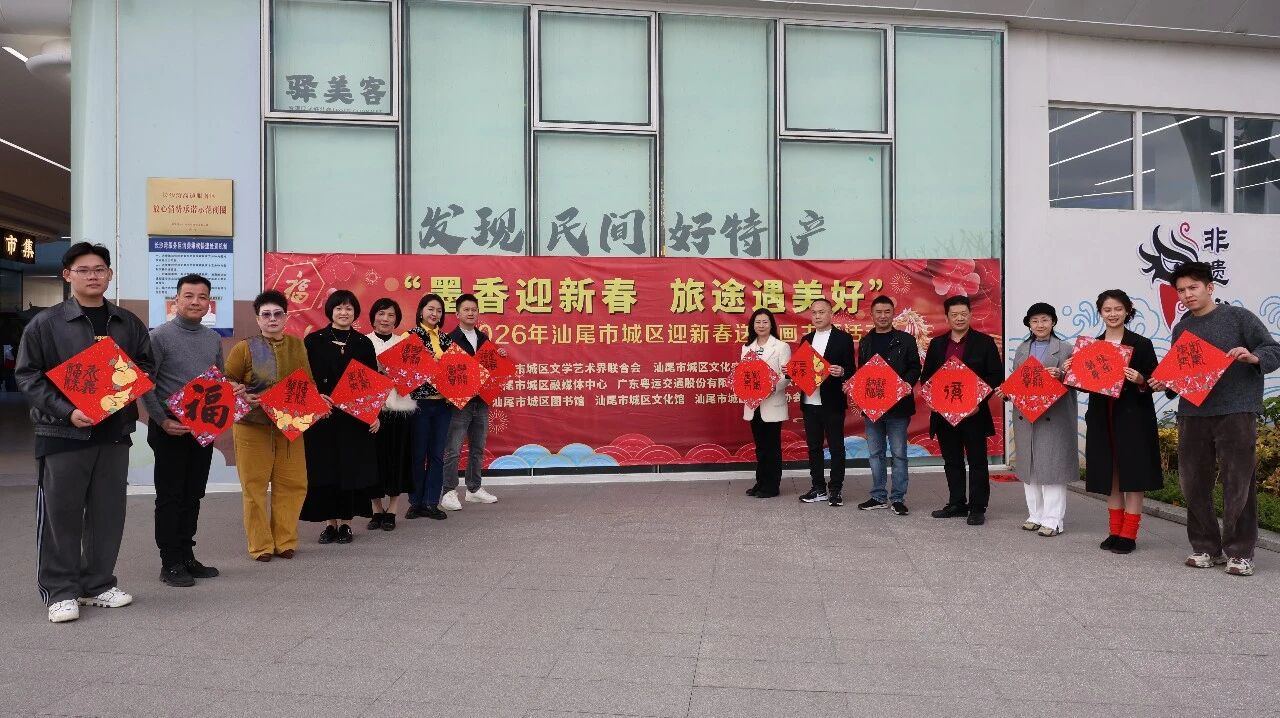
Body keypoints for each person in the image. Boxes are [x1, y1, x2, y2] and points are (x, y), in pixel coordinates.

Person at [15, 242, 154, 623]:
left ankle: (97, 584)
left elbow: (146, 364)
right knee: (61, 515)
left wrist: (124, 388)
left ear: (109, 274)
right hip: (62, 433)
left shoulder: (127, 322)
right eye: (83, 270)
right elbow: (27, 375)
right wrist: (67, 410)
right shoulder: (46, 323)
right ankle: (60, 591)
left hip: (114, 432)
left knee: (108, 514)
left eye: (99, 269)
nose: (93, 276)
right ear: (67, 275)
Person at [1151, 262, 1280, 576]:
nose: (1187, 294)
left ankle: (1240, 552)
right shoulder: (1182, 328)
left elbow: (1272, 349)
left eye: (1193, 287)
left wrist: (1254, 357)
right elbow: (1182, 373)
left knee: (1239, 482)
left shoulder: (1238, 317)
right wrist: (1164, 382)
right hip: (1192, 413)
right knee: (1193, 482)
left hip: (1236, 410)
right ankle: (1206, 546)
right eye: (1181, 290)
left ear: (1210, 287)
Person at [140, 273, 240, 587]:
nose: (195, 302)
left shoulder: (212, 338)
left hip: (201, 425)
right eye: (188, 296)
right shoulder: (159, 336)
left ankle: (186, 555)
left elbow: (217, 380)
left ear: (209, 302)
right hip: (170, 425)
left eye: (202, 297)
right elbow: (146, 384)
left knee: (193, 492)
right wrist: (162, 420)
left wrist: (232, 391)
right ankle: (169, 562)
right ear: (176, 300)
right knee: (170, 495)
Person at [1069, 289, 1161, 554]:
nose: (1113, 314)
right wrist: (1070, 369)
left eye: (1118, 309)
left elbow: (1155, 381)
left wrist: (1141, 379)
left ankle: (1129, 534)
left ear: (1128, 310)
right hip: (1102, 416)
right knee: (1112, 473)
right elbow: (1081, 383)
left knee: (1134, 473)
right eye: (1107, 310)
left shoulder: (1141, 344)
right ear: (1100, 313)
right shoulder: (1092, 346)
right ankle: (1114, 530)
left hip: (1133, 417)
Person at [224, 290, 313, 562]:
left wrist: (316, 400)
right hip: (252, 424)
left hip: (289, 425)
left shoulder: (297, 346)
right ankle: (260, 545)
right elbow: (226, 381)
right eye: (266, 314)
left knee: (293, 483)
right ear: (258, 319)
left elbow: (306, 383)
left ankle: (285, 541)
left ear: (286, 317)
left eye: (277, 314)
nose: (272, 319)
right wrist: (239, 392)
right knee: (254, 487)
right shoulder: (244, 348)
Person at [301, 290, 380, 544]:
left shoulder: (363, 343)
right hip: (322, 416)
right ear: (330, 311)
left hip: (353, 419)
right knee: (324, 470)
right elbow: (303, 378)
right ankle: (329, 524)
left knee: (350, 470)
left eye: (348, 308)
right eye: (339, 308)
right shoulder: (313, 341)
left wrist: (374, 414)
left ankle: (346, 524)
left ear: (355, 312)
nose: (343, 312)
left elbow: (371, 382)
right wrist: (315, 399)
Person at [994, 302, 1076, 537]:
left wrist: (1061, 374)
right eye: (1035, 321)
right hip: (1026, 416)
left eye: (1045, 320)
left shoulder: (1066, 349)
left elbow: (1077, 380)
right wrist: (1007, 391)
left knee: (1052, 467)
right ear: (1029, 325)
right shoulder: (1022, 349)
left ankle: (1054, 520)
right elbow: (1019, 381)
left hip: (1055, 416)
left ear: (1053, 322)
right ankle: (1035, 515)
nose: (1040, 325)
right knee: (1029, 467)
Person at [923, 295, 1003, 526]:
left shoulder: (984, 343)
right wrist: (931, 399)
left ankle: (977, 507)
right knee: (952, 461)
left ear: (970, 315)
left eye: (963, 314)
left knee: (977, 461)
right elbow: (927, 376)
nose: (959, 318)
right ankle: (957, 503)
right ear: (947, 317)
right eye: (954, 315)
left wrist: (977, 403)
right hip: (944, 414)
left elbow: (995, 376)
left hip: (974, 414)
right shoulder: (937, 344)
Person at [855, 296, 921, 516]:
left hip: (898, 407)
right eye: (878, 312)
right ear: (872, 315)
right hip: (872, 406)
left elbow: (915, 368)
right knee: (875, 453)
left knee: (899, 453)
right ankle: (878, 496)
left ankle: (898, 498)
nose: (882, 316)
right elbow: (862, 373)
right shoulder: (866, 341)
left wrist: (906, 383)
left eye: (887, 312)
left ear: (893, 314)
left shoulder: (906, 340)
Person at [440, 293, 499, 510]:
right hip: (459, 403)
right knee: (453, 449)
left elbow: (491, 367)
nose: (471, 313)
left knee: (478, 448)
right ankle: (448, 491)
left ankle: (474, 489)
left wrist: (499, 355)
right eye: (466, 309)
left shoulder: (483, 338)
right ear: (457, 314)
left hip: (481, 401)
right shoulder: (449, 339)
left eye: (474, 309)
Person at [797, 297, 856, 507]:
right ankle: (818, 488)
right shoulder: (806, 339)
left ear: (831, 314)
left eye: (822, 312)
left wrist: (842, 371)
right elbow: (801, 370)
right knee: (814, 447)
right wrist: (789, 370)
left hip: (832, 402)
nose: (817, 316)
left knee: (836, 447)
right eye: (814, 313)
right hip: (810, 401)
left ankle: (836, 490)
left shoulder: (843, 339)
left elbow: (851, 369)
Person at [366, 297, 416, 531]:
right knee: (372, 461)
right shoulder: (362, 342)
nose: (385, 319)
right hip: (371, 411)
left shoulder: (405, 344)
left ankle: (393, 509)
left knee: (397, 459)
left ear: (396, 320)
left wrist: (397, 372)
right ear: (373, 317)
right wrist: (378, 371)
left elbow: (415, 377)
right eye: (381, 314)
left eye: (391, 315)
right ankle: (376, 509)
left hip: (399, 409)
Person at [404, 293, 452, 520]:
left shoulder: (446, 339)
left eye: (439, 311)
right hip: (419, 404)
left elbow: (456, 371)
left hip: (443, 405)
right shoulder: (410, 336)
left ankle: (432, 502)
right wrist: (425, 361)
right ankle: (415, 502)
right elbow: (403, 370)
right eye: (431, 309)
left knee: (437, 455)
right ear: (421, 311)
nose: (435, 314)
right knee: (417, 454)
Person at [741, 308, 791, 499]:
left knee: (771, 447)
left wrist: (772, 388)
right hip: (753, 404)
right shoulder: (747, 347)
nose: (761, 325)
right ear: (752, 325)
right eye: (758, 322)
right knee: (760, 446)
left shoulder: (781, 347)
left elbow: (787, 376)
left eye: (765, 322)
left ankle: (771, 486)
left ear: (771, 325)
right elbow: (744, 374)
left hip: (772, 402)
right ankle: (760, 482)